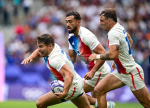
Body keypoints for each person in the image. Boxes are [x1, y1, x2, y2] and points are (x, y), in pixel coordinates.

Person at [89, 8, 150, 108]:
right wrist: (117, 61)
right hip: (121, 72)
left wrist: (97, 56)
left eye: (102, 21)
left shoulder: (113, 33)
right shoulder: (120, 27)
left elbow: (113, 55)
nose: (100, 23)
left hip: (131, 73)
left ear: (109, 21)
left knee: (147, 104)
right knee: (99, 90)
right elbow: (129, 42)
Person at [21, 34, 93, 108]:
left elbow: (69, 75)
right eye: (38, 46)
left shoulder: (54, 59)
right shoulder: (52, 48)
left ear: (50, 46)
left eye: (41, 46)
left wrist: (65, 92)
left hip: (71, 87)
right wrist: (30, 57)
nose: (39, 49)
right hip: (77, 82)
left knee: (40, 103)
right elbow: (38, 52)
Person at [66, 11, 115, 108]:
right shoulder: (71, 36)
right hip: (93, 71)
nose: (68, 24)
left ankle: (107, 105)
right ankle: (104, 105)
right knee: (98, 103)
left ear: (78, 22)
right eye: (66, 21)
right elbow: (72, 58)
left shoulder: (86, 36)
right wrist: (64, 71)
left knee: (73, 92)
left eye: (70, 22)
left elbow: (103, 54)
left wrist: (92, 72)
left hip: (99, 71)